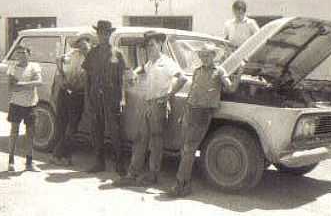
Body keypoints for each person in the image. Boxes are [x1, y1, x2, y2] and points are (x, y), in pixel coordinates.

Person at [114, 30, 187, 187]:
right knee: (140, 139)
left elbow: (182, 78)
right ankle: (132, 174)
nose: (150, 48)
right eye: (147, 46)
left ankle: (153, 175)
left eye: (152, 45)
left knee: (155, 141)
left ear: (160, 44)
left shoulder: (167, 62)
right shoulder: (150, 62)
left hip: (158, 105)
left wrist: (169, 94)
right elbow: (143, 68)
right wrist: (134, 71)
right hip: (148, 104)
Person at [167, 42, 239, 198]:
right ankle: (185, 184)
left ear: (214, 56)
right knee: (184, 148)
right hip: (190, 111)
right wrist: (184, 114)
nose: (204, 58)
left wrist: (239, 73)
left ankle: (180, 184)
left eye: (207, 55)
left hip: (203, 113)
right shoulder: (197, 71)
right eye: (202, 55)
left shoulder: (219, 71)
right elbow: (192, 92)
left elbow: (231, 88)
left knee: (189, 149)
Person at [82, 20, 127, 174]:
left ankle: (119, 164)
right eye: (100, 33)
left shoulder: (117, 53)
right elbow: (87, 79)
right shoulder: (92, 53)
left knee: (115, 132)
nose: (103, 35)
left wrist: (122, 99)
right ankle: (99, 163)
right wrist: (87, 100)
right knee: (96, 131)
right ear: (98, 34)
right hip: (95, 98)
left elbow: (122, 79)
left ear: (110, 34)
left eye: (106, 33)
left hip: (112, 98)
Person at [50, 32, 92, 166]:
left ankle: (58, 154)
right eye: (79, 43)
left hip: (78, 94)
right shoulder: (72, 54)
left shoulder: (92, 58)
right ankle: (63, 156)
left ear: (88, 42)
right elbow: (59, 62)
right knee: (62, 124)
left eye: (84, 42)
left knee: (72, 127)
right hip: (66, 92)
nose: (82, 45)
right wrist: (62, 75)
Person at [7, 45, 43, 172]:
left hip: (31, 105)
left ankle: (29, 162)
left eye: (24, 52)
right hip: (16, 104)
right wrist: (29, 84)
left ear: (29, 54)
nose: (21, 55)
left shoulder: (35, 66)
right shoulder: (12, 68)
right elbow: (11, 87)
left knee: (31, 134)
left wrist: (21, 84)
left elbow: (39, 82)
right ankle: (11, 160)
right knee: (14, 132)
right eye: (19, 53)